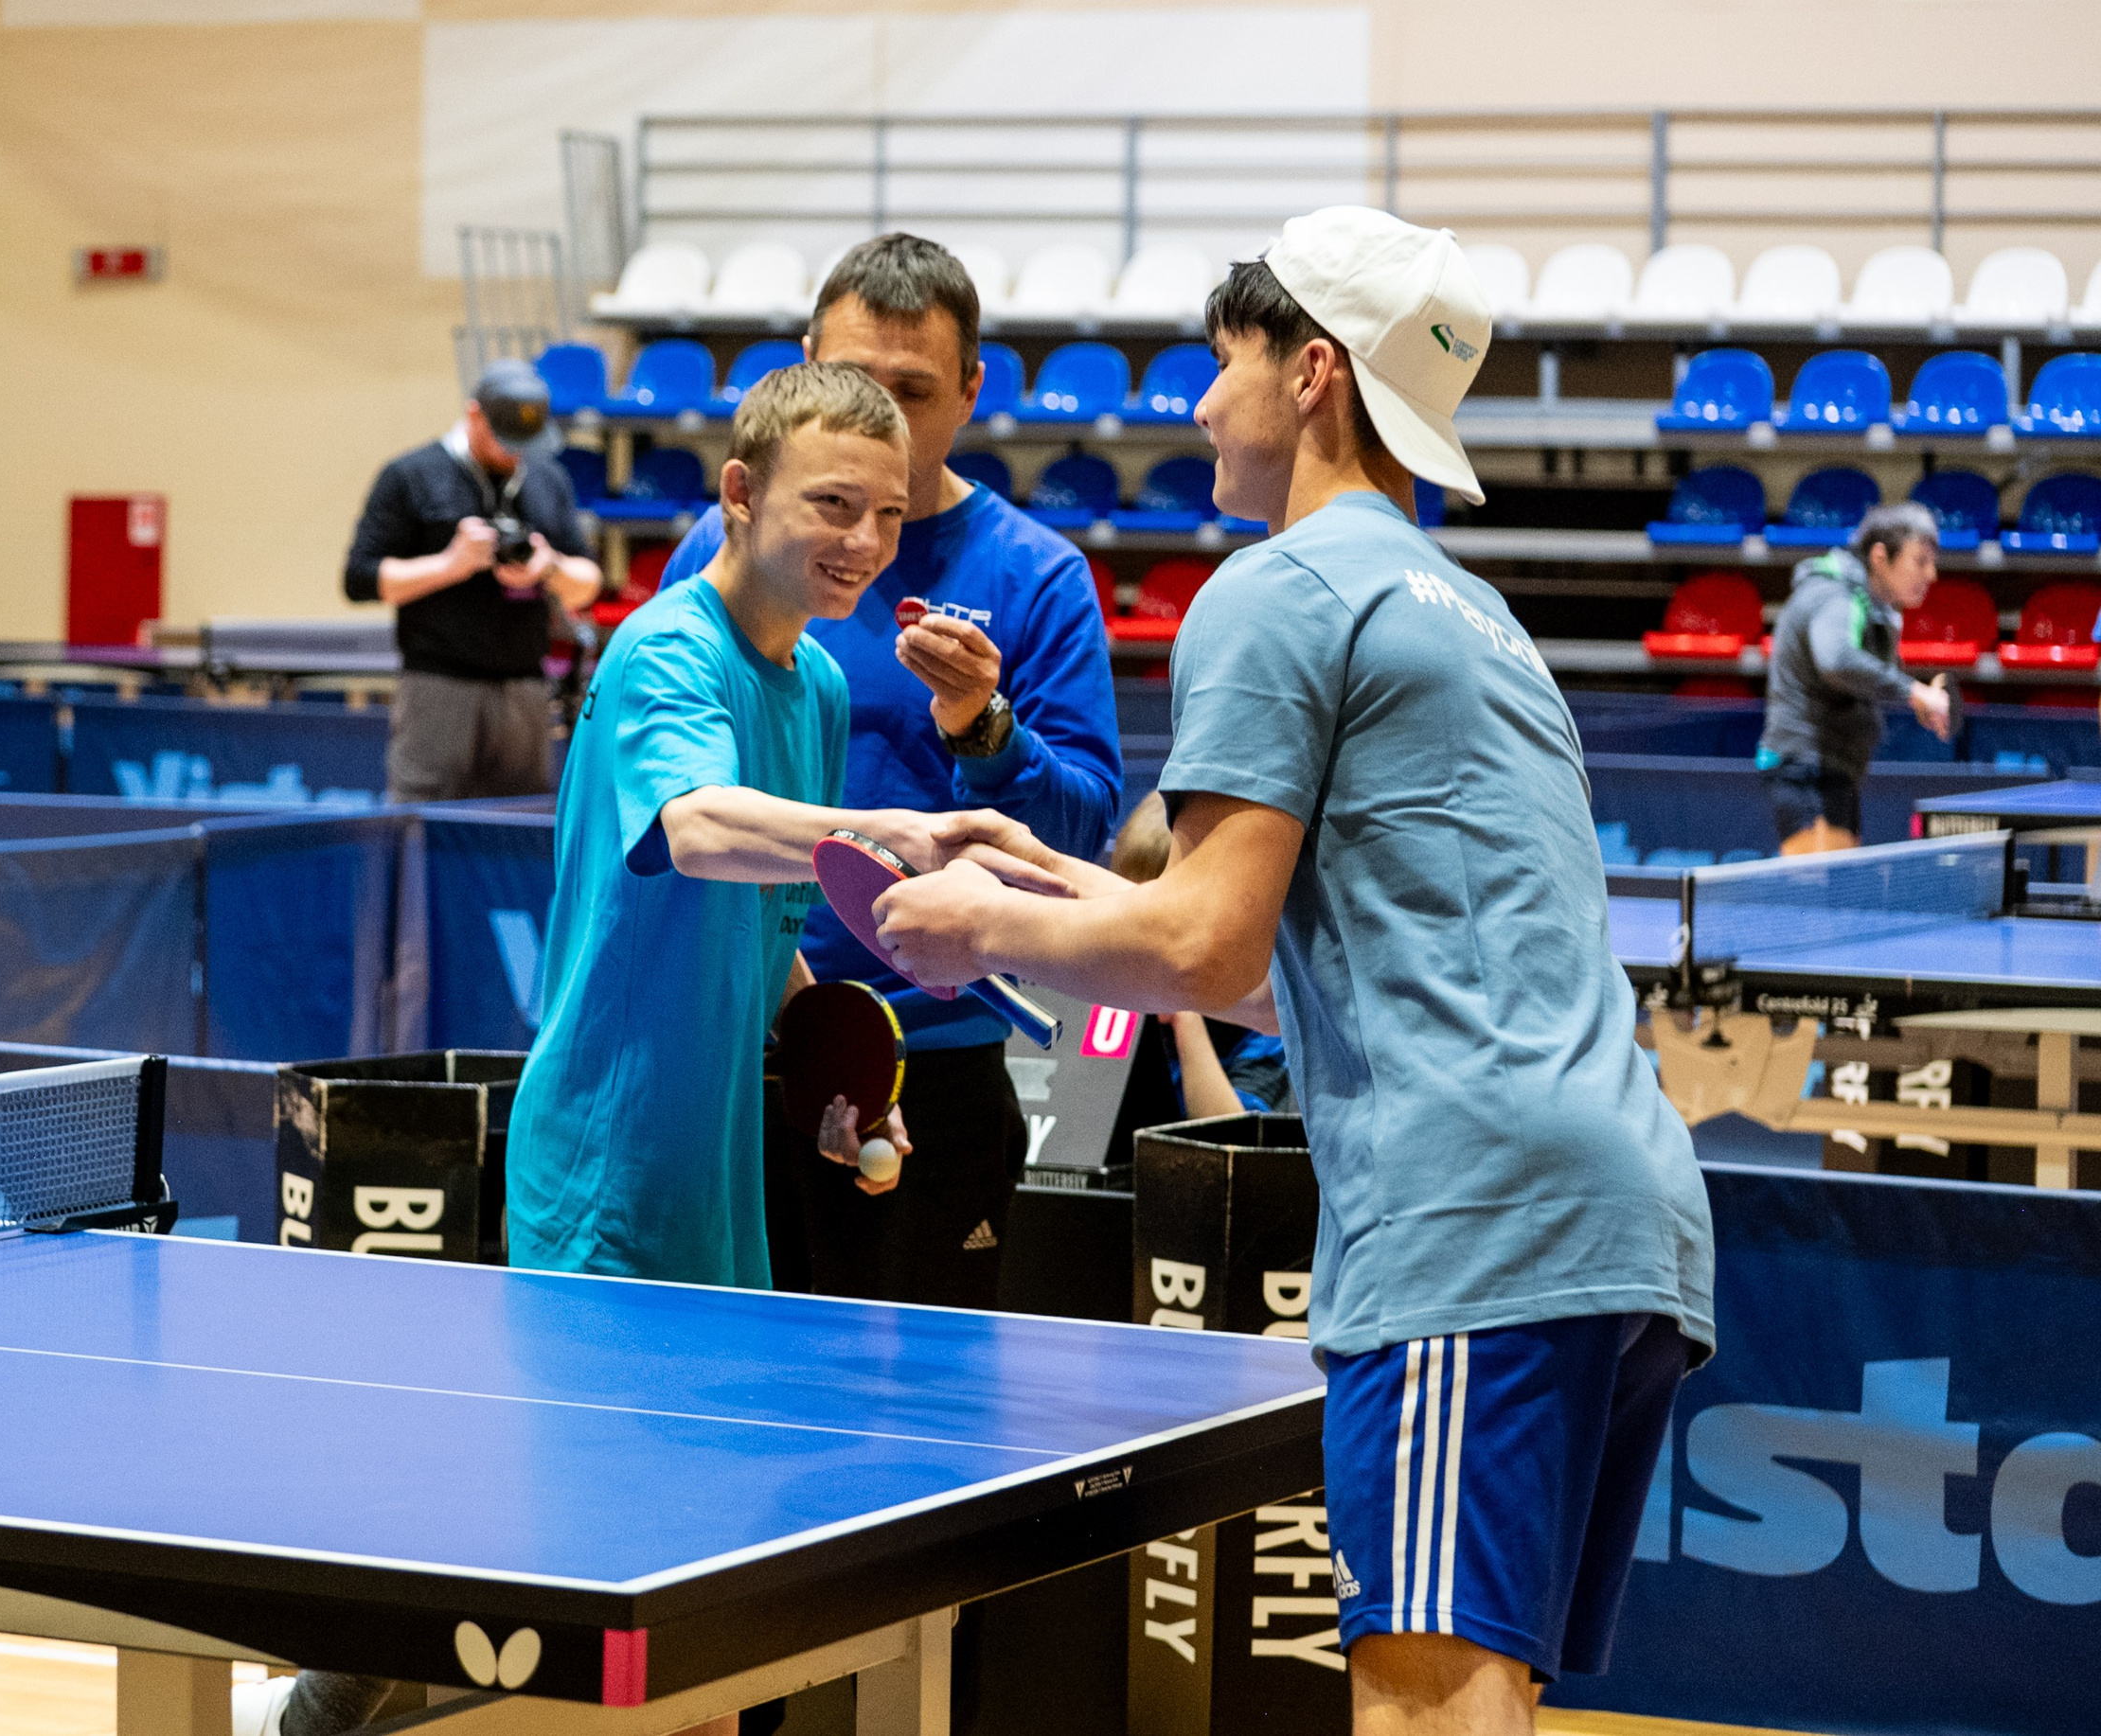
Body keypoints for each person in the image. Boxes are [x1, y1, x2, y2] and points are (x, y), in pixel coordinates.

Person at [871, 208, 1715, 1736]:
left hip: (1474, 1218)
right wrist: (1057, 880)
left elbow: (1205, 943)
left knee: (1423, 1698)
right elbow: (1307, 971)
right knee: (1480, 1686)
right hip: (1620, 1216)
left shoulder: (1275, 589)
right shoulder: (1472, 614)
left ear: (1312, 371)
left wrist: (970, 925)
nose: (1198, 403)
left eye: (1223, 363)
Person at [240, 363, 1061, 1736]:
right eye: (831, 504)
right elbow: (689, 824)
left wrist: (841, 1062)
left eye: (886, 512)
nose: (863, 538)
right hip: (609, 1159)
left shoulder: (813, 692)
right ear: (740, 496)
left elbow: (772, 927)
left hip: (714, 1178)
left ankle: (325, 1705)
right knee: (591, 1548)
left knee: (664, 1544)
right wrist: (893, 836)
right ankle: (321, 1704)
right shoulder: (664, 650)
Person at [660, 233, 1123, 1308]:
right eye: (852, 382)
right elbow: (684, 809)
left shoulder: (1035, 576)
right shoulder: (718, 558)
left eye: (911, 391)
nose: (878, 417)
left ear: (969, 393)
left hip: (938, 1056)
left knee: (913, 1422)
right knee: (720, 1404)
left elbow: (1083, 832)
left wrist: (982, 726)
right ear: (801, 371)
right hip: (744, 1049)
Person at [344, 356, 605, 801]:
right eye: (504, 438)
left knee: (515, 835)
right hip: (438, 689)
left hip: (524, 690)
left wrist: (549, 568)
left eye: (524, 440)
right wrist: (451, 564)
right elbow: (361, 579)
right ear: (473, 415)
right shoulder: (411, 475)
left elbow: (589, 580)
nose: (513, 450)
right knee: (422, 829)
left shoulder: (547, 479)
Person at [1757, 502, 1951, 854]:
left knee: (1836, 894)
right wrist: (1913, 691)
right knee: (1816, 897)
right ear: (1880, 556)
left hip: (1834, 767)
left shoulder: (1876, 606)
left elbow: (1863, 674)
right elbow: (1836, 660)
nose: (1931, 575)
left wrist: (1913, 697)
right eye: (1920, 561)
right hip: (1805, 766)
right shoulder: (1837, 594)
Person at [1110, 789, 1291, 1119]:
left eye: (1159, 928)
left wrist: (1183, 1012)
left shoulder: (1264, 1020)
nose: (1142, 946)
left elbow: (1236, 1143)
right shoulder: (1111, 997)